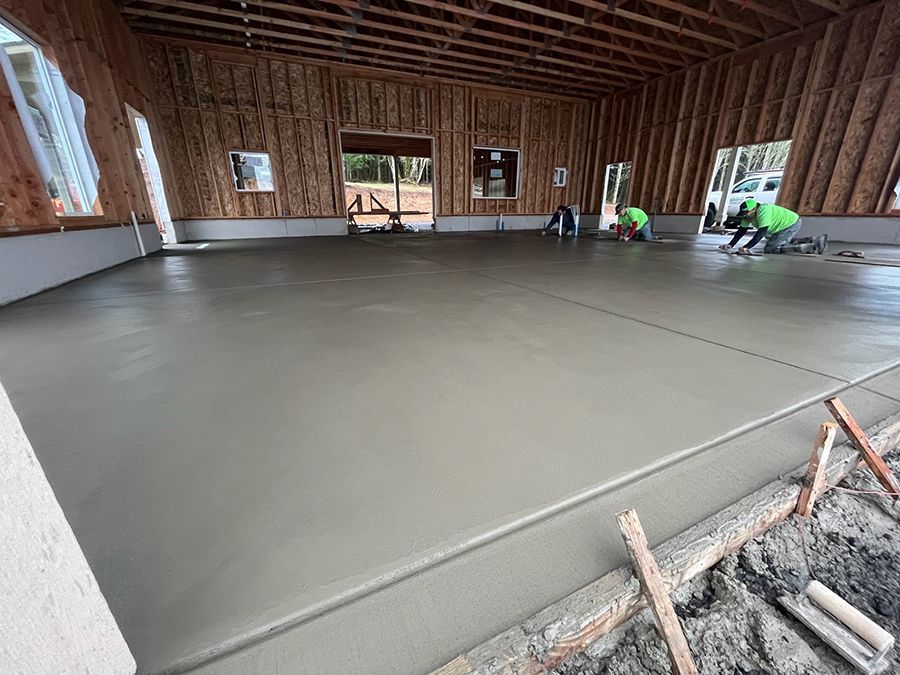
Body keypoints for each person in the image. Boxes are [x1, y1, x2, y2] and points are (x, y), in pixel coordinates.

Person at [719, 199, 827, 255]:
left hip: (791, 223)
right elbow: (741, 231)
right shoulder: (747, 216)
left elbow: (761, 233)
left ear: (754, 209)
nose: (745, 215)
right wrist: (730, 245)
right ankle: (816, 240)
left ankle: (812, 247)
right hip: (780, 228)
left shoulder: (763, 211)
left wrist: (747, 247)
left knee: (770, 248)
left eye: (747, 213)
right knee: (778, 241)